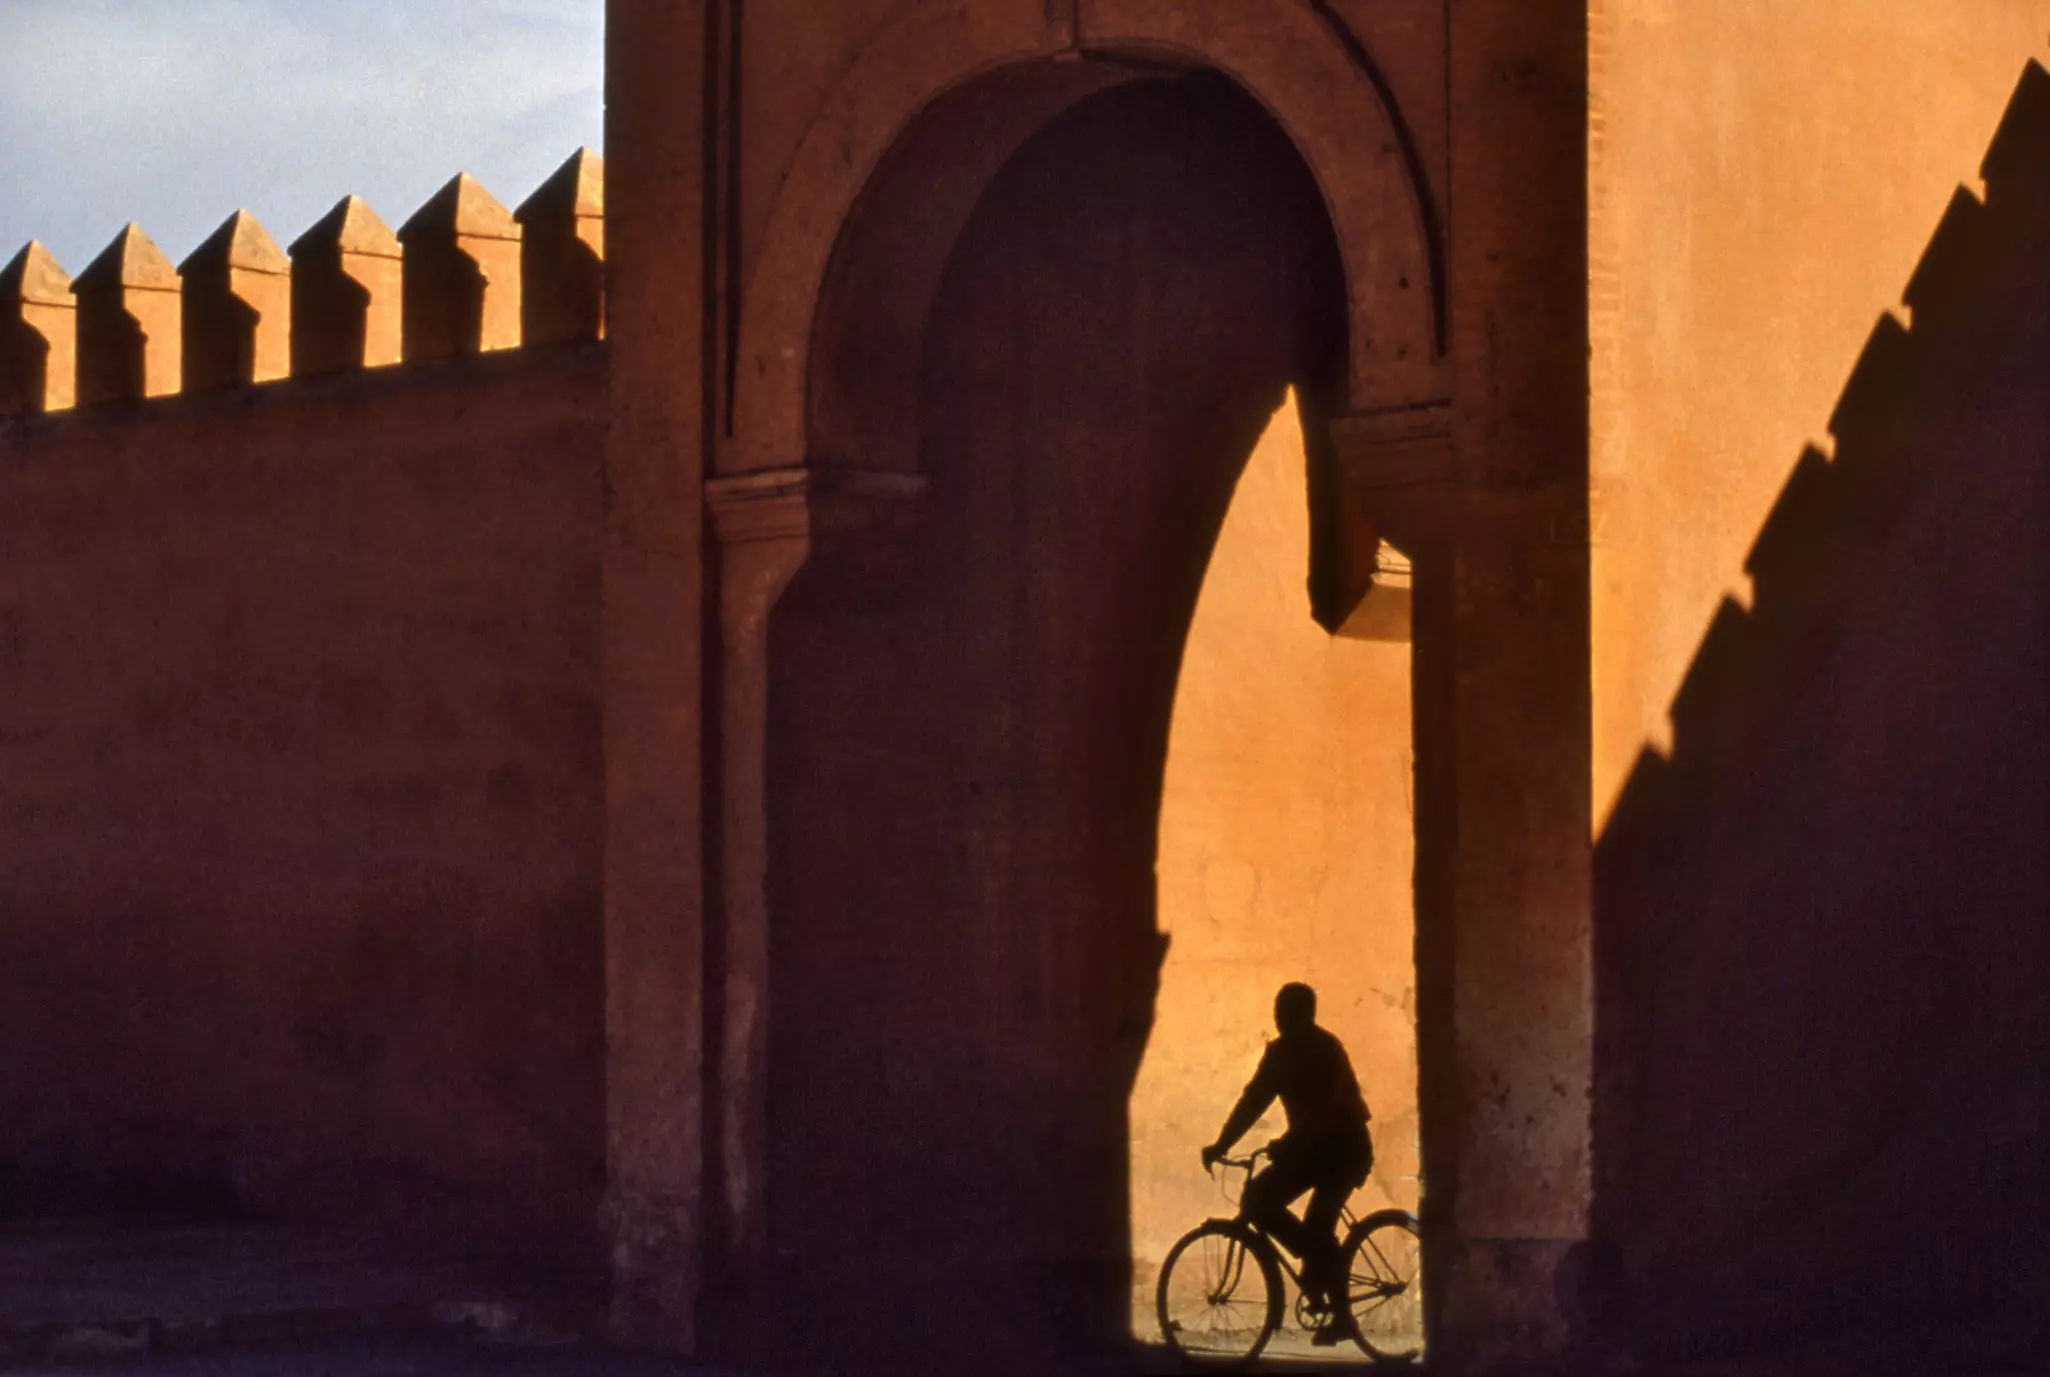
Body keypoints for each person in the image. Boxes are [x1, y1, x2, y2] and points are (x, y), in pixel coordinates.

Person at [1201, 982, 1372, 1344]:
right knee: (1259, 1199)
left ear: (1303, 1015)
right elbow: (1254, 1100)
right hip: (1311, 1151)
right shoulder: (1280, 1053)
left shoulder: (1324, 1049)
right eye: (1278, 1012)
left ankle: (1338, 1307)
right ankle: (1318, 1268)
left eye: (1285, 1012)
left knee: (1313, 1227)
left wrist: (1287, 1144)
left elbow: (1326, 1113)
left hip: (1343, 1151)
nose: (1278, 1019)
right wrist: (1221, 1144)